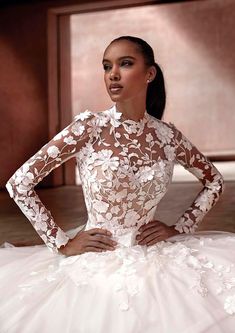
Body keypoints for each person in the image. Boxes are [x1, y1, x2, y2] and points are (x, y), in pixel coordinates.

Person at [0, 35, 235, 332]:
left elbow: (214, 181)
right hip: (96, 256)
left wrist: (180, 228)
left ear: (149, 74)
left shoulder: (167, 136)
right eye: (106, 66)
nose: (112, 74)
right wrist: (61, 243)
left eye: (125, 64)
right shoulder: (89, 128)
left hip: (155, 254)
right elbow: (19, 183)